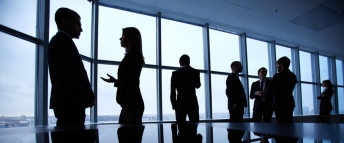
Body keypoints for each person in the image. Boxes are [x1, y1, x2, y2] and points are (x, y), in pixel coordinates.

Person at [48, 7, 95, 127]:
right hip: (71, 103)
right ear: (64, 21)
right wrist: (89, 96)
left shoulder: (60, 41)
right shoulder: (62, 42)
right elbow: (74, 75)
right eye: (77, 23)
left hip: (67, 103)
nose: (81, 29)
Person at [101, 27, 145, 124]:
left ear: (129, 38)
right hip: (131, 104)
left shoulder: (133, 55)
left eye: (122, 36)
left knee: (127, 136)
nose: (120, 39)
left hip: (131, 105)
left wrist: (127, 107)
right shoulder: (132, 55)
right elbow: (129, 80)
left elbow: (133, 82)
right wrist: (116, 81)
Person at [266, 56, 298, 143]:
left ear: (282, 64)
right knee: (289, 123)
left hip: (279, 103)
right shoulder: (293, 75)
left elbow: (269, 90)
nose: (276, 66)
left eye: (277, 64)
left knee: (281, 125)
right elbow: (288, 88)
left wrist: (274, 90)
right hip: (289, 102)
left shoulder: (278, 75)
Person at [170, 54, 201, 123]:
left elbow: (172, 91)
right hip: (192, 103)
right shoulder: (195, 72)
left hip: (180, 104)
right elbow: (198, 85)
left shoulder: (175, 73)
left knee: (181, 128)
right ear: (189, 62)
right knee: (194, 127)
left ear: (180, 63)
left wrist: (174, 105)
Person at [249, 67, 272, 141]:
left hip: (267, 107)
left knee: (267, 124)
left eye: (265, 72)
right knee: (255, 124)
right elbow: (251, 96)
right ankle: (261, 136)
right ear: (258, 74)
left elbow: (274, 93)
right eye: (262, 71)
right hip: (257, 107)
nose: (264, 73)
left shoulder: (270, 82)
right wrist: (256, 93)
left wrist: (266, 93)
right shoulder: (254, 84)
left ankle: (265, 138)